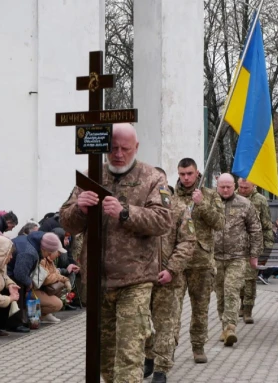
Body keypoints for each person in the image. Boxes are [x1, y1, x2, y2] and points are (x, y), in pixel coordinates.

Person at [59, 123, 172, 383]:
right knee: (105, 355)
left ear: (136, 148)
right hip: (97, 280)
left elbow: (164, 220)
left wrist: (125, 212)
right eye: (113, 148)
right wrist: (80, 209)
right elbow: (66, 221)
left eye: (125, 149)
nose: (119, 154)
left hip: (135, 279)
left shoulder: (153, 178)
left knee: (130, 352)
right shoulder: (91, 176)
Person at [144, 167, 196, 383]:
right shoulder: (137, 208)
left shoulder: (179, 208)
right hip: (140, 278)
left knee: (166, 325)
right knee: (142, 324)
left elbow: (188, 241)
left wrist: (172, 269)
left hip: (169, 278)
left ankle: (161, 368)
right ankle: (148, 356)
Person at [172, 157, 224, 363]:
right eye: (182, 174)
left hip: (201, 262)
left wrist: (201, 204)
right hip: (176, 262)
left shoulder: (210, 195)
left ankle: (198, 346)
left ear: (197, 173)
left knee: (200, 309)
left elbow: (220, 222)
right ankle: (168, 348)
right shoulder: (170, 196)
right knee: (171, 310)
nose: (186, 178)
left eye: (189, 174)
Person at [214, 173, 263, 347]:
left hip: (237, 257)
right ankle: (223, 324)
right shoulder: (210, 203)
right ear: (217, 186)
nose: (226, 190)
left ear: (234, 185)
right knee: (220, 294)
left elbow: (256, 230)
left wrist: (254, 255)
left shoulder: (245, 204)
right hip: (215, 258)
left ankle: (230, 327)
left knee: (231, 290)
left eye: (229, 186)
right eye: (222, 187)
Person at [236, 178, 273, 324]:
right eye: (240, 187)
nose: (243, 190)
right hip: (235, 246)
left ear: (254, 186)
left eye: (246, 188)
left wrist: (267, 246)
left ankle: (248, 310)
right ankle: (241, 303)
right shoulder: (232, 198)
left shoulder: (260, 200)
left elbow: (266, 224)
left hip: (253, 246)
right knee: (237, 279)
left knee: (250, 280)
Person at [6, 231, 54, 333]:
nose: (47, 256)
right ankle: (15, 324)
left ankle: (20, 321)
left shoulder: (31, 242)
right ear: (44, 247)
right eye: (48, 253)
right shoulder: (29, 252)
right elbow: (20, 274)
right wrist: (29, 282)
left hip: (9, 271)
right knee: (17, 295)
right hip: (10, 275)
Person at [36, 233, 71, 323]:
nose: (59, 255)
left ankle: (44, 315)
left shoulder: (50, 261)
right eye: (58, 252)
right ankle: (40, 315)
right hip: (34, 290)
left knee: (60, 289)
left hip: (42, 289)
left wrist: (65, 279)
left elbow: (54, 274)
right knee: (58, 304)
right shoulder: (43, 260)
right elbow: (45, 279)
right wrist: (58, 277)